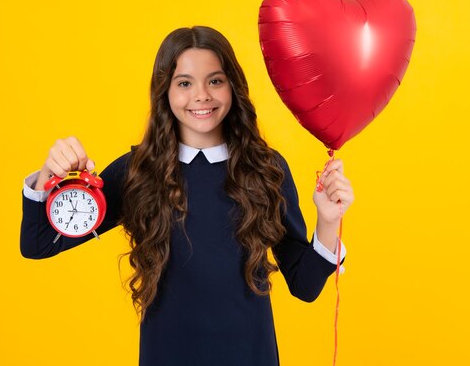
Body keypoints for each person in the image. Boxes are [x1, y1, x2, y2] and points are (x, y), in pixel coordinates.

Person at [20, 26, 354, 366]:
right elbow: (38, 243)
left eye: (215, 80)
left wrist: (328, 221)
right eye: (184, 83)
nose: (201, 95)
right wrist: (50, 175)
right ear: (164, 91)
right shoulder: (138, 171)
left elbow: (305, 286)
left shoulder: (266, 170)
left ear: (233, 87)